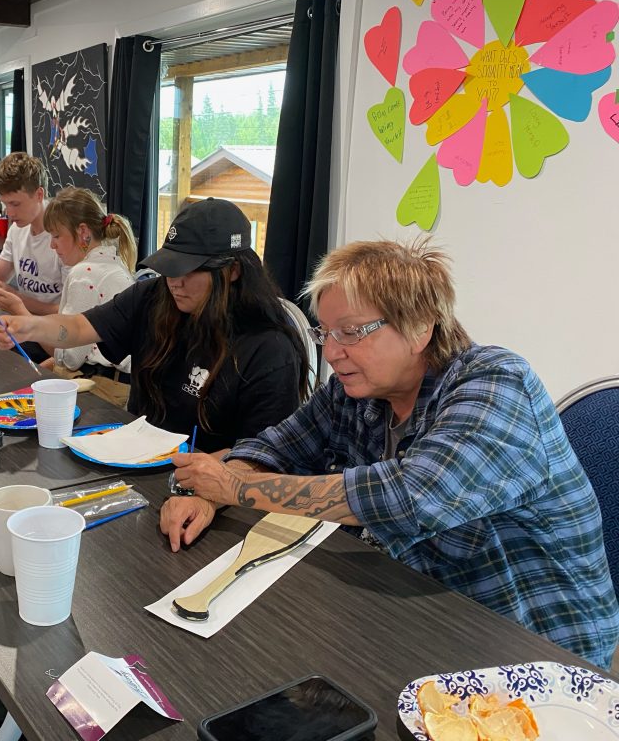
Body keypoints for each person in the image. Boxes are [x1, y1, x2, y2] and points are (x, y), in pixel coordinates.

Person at [162, 238, 619, 669]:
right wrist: (210, 492)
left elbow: (410, 498)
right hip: (418, 610)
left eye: (352, 332)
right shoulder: (359, 388)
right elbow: (280, 444)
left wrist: (235, 485)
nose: (334, 352)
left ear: (420, 327)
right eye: (326, 333)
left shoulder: (497, 384)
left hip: (530, 644)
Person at [0, 198, 311, 452]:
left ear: (233, 272)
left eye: (189, 271)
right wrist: (27, 326)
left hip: (210, 488)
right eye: (170, 268)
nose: (175, 283)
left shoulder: (269, 350)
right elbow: (77, 328)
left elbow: (261, 456)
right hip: (136, 456)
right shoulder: (153, 297)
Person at [0, 186, 137, 407]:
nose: (52, 245)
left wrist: (20, 312)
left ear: (83, 232)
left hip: (102, 391)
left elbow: (69, 356)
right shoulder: (112, 262)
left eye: (56, 236)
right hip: (116, 384)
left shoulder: (85, 274)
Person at [0, 153, 65, 315]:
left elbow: (70, 314)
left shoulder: (64, 236)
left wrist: (15, 298)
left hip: (56, 332)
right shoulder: (17, 230)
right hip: (26, 325)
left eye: (15, 204)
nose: (10, 213)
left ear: (39, 195)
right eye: (5, 204)